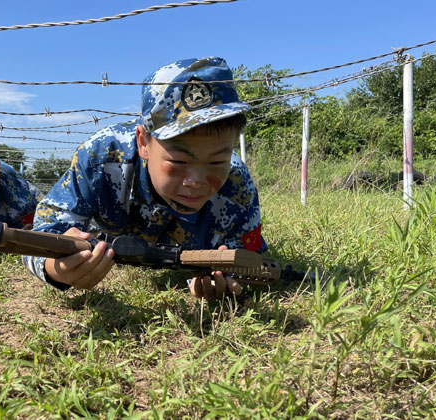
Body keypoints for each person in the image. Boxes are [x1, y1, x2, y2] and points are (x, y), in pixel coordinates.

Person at [24, 57, 266, 300]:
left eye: (216, 162)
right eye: (179, 162)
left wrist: (230, 280)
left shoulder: (236, 182)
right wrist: (54, 269)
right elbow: (43, 232)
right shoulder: (102, 157)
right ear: (143, 142)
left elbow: (251, 257)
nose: (196, 180)